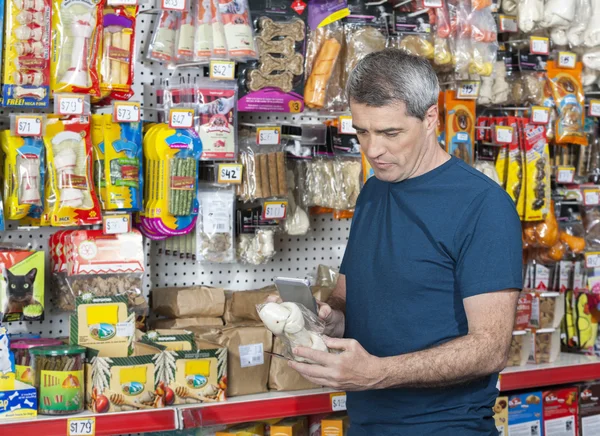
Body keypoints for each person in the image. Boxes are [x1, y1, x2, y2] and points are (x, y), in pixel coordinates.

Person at [288, 49, 523, 435]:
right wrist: (329, 318)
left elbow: (490, 348)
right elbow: (349, 297)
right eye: (362, 131)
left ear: (430, 117)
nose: (372, 149)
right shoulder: (373, 192)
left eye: (390, 132)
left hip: (446, 428)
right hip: (365, 424)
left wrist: (378, 373)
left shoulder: (483, 206)